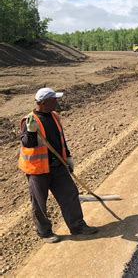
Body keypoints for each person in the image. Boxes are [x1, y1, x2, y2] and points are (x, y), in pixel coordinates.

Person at [19, 87, 97, 243]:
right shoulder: (30, 120)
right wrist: (31, 131)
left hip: (58, 166)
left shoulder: (54, 116)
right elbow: (28, 144)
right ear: (43, 102)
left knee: (70, 194)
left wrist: (68, 157)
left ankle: (78, 226)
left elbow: (61, 139)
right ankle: (45, 233)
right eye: (54, 99)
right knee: (39, 203)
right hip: (38, 170)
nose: (57, 101)